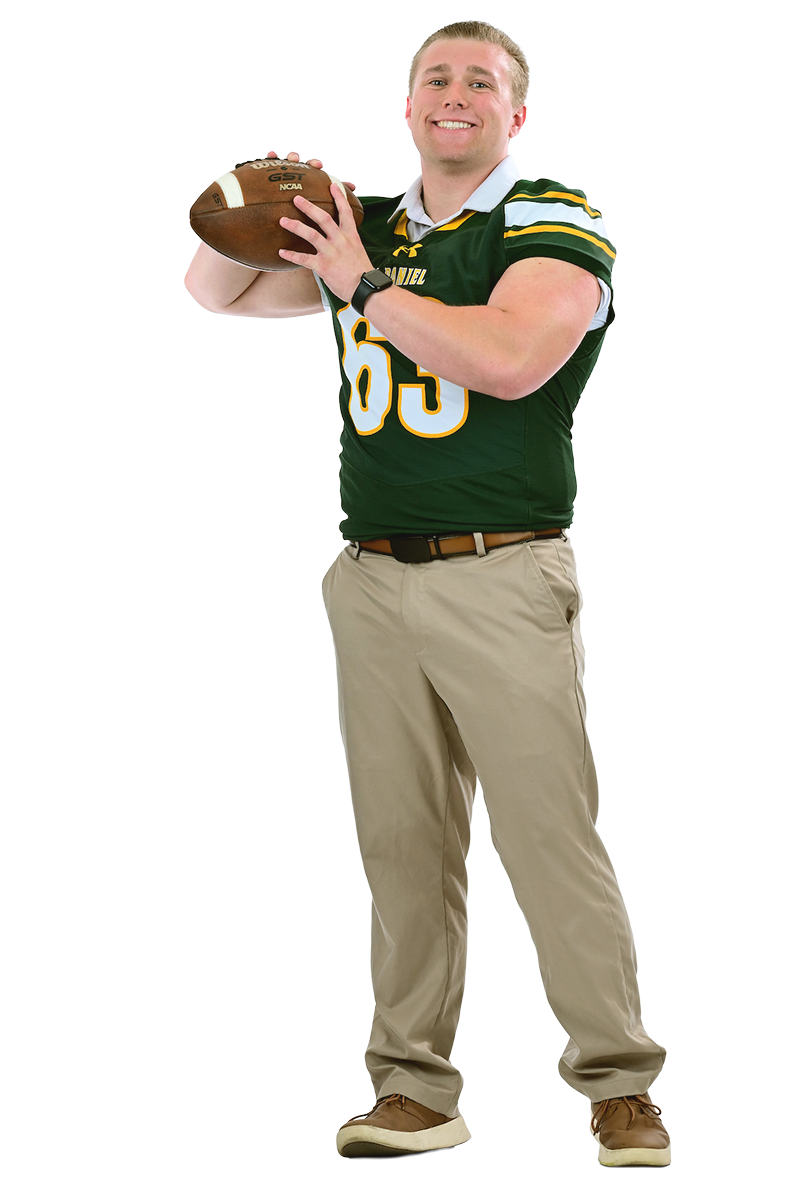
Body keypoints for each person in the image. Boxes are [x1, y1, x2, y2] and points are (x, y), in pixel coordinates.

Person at [185, 19, 670, 1169]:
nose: (456, 93)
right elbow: (215, 290)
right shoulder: (374, 225)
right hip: (370, 578)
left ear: (516, 112)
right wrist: (256, 195)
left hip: (503, 570)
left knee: (548, 839)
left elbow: (510, 358)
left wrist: (357, 280)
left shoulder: (549, 216)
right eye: (435, 78)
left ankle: (620, 1085)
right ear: (408, 107)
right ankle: (412, 1089)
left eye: (482, 81)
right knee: (401, 846)